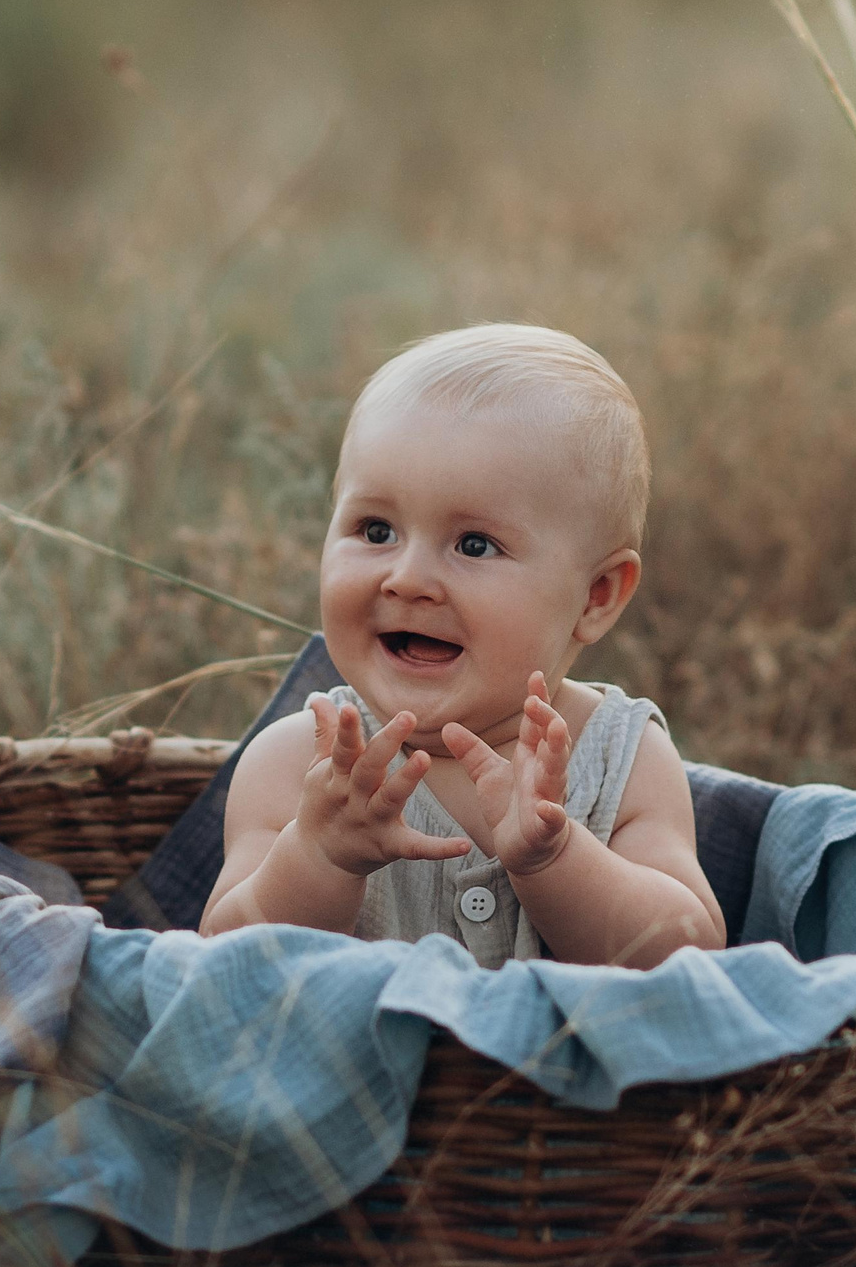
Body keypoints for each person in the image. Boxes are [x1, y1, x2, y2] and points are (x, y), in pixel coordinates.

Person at [200, 324, 723, 969]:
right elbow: (217, 967)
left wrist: (557, 859)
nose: (409, 578)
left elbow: (691, 955)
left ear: (595, 596)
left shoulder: (622, 755)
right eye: (376, 529)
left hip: (548, 1073)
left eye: (474, 544)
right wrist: (318, 857)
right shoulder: (296, 763)